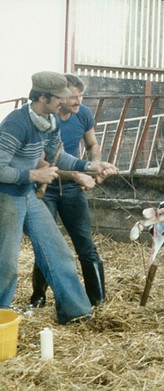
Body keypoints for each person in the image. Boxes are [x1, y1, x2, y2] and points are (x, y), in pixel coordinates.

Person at [0, 71, 118, 324]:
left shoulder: (50, 121)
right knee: (7, 262)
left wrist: (88, 166)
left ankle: (76, 313)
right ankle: (1, 315)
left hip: (27, 194)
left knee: (58, 252)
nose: (65, 102)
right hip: (6, 196)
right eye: (59, 98)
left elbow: (58, 154)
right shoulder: (15, 124)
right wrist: (32, 174)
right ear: (42, 97)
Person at [29, 74, 106, 308]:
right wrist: (78, 173)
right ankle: (38, 297)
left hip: (72, 188)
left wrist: (95, 168)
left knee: (85, 243)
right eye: (73, 96)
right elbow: (40, 162)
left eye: (81, 96)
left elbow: (92, 144)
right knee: (47, 242)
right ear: (60, 98)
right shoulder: (45, 120)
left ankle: (98, 300)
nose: (78, 101)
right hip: (47, 187)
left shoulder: (83, 114)